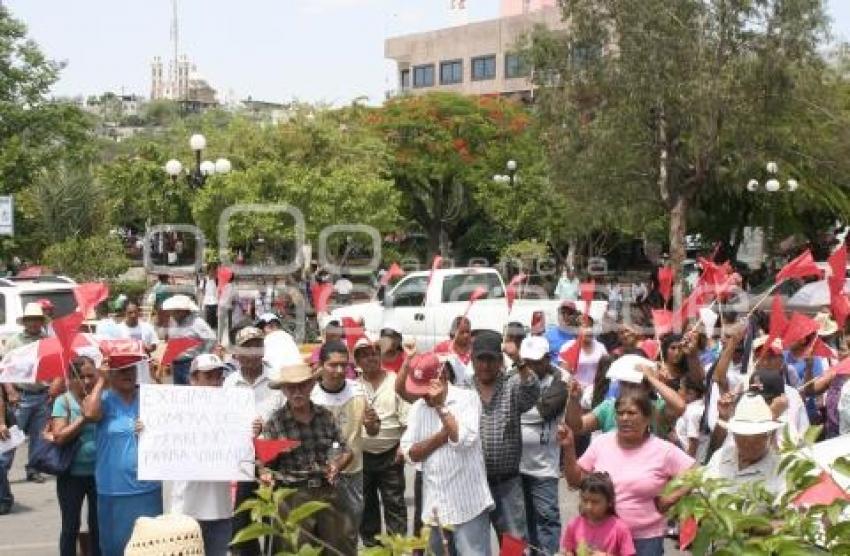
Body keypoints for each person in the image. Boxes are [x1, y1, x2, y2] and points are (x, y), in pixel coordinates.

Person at [560, 387, 695, 556]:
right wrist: (569, 448)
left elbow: (695, 473)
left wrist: (670, 499)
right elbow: (575, 481)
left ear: (647, 418)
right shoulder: (602, 443)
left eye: (632, 413)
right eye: (620, 413)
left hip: (645, 540)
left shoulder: (663, 450)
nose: (625, 418)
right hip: (605, 537)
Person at [399, 352, 494, 556]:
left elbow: (462, 440)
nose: (423, 395)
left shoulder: (467, 399)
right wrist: (442, 436)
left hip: (468, 506)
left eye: (424, 389)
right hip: (435, 509)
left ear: (440, 378)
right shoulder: (417, 408)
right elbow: (410, 453)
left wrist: (441, 407)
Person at [263, 355, 357, 554]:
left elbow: (345, 450)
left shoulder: (325, 416)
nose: (297, 392)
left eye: (302, 386)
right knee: (294, 549)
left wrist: (337, 465)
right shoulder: (275, 422)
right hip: (292, 495)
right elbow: (264, 464)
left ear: (311, 386)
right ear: (284, 390)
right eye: (291, 387)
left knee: (338, 547)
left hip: (327, 491)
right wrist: (265, 473)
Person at [171, 354, 254, 556]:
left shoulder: (233, 411)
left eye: (219, 377)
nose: (215, 382)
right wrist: (145, 430)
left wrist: (253, 431)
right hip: (186, 510)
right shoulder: (175, 410)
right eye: (208, 377)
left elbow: (244, 451)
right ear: (193, 379)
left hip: (221, 510)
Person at [82, 357, 162, 556]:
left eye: (130, 370)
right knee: (116, 549)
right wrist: (101, 380)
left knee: (151, 548)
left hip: (148, 490)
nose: (127, 374)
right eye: (120, 370)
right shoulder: (104, 400)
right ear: (111, 374)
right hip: (114, 492)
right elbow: (90, 414)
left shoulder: (147, 399)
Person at [471, 329, 539, 542]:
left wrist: (518, 359)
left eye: (491, 359)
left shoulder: (512, 385)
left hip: (507, 483)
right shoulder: (463, 389)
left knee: (514, 542)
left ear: (500, 361)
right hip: (473, 483)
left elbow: (532, 389)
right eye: (480, 359)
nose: (485, 365)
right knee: (473, 545)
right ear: (473, 360)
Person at [311, 341, 380, 548]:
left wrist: (371, 423)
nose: (339, 370)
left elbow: (374, 429)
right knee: (319, 532)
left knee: (349, 532)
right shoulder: (311, 395)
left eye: (344, 365)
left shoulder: (358, 391)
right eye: (333, 365)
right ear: (321, 365)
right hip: (320, 475)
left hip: (352, 473)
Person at [226, 326, 284, 556]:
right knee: (241, 525)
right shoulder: (228, 383)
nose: (251, 353)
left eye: (256, 346)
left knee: (276, 523)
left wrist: (267, 429)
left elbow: (289, 417)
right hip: (240, 464)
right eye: (246, 347)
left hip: (274, 462)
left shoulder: (278, 380)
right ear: (236, 353)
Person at [355, 338, 409, 546]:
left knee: (395, 507)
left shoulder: (395, 381)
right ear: (357, 360)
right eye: (364, 354)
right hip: (362, 457)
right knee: (366, 510)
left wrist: (403, 446)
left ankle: (397, 550)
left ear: (381, 355)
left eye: (374, 353)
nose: (370, 358)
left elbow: (407, 420)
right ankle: (372, 550)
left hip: (391, 455)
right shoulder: (353, 387)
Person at [518, 336, 567, 554]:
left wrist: (516, 413)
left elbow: (544, 410)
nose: (531, 367)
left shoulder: (560, 380)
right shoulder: (515, 378)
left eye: (536, 362)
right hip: (516, 466)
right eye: (526, 362)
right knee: (524, 522)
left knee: (546, 519)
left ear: (547, 359)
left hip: (544, 467)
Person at [50, 356, 101, 556]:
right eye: (81, 376)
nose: (87, 381)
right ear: (70, 378)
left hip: (99, 474)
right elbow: (59, 437)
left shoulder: (99, 398)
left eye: (91, 376)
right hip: (71, 475)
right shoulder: (63, 401)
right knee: (70, 527)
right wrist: (83, 418)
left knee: (98, 526)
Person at [1, 302, 50, 486]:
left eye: (37, 320)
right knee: (13, 435)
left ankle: (34, 469)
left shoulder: (46, 341)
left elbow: (52, 367)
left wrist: (54, 387)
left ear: (41, 321)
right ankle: (2, 471)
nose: (34, 323)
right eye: (30, 320)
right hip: (21, 396)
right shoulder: (15, 342)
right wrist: (10, 390)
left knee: (38, 437)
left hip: (42, 394)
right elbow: (3, 369)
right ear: (25, 322)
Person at [705, 393, 785, 496]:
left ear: (767, 435)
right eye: (742, 439)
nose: (748, 445)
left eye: (755, 439)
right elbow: (701, 494)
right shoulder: (720, 456)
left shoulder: (779, 469)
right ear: (734, 435)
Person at [561, 472, 636, 556]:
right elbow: (568, 549)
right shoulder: (574, 525)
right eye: (585, 500)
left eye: (595, 502)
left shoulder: (620, 529)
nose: (588, 506)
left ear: (609, 502)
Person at [161, 294, 215, 385]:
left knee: (191, 391)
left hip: (190, 363)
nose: (173, 314)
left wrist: (202, 357)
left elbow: (211, 339)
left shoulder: (197, 322)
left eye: (176, 311)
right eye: (172, 311)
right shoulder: (172, 322)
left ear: (184, 311)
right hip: (176, 364)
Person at [119, 301, 159, 384]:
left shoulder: (147, 327)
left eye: (135, 312)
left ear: (138, 312)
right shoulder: (118, 329)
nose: (133, 315)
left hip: (144, 370)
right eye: (130, 312)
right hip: (126, 370)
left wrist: (148, 348)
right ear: (125, 313)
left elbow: (154, 344)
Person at [674, 374, 709, 463]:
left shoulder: (693, 412)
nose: (678, 391)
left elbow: (693, 442)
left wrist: (687, 466)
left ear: (691, 393)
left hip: (693, 461)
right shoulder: (696, 408)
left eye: (681, 388)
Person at [199, 265, 219, 331]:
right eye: (211, 271)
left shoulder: (217, 280)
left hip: (216, 303)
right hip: (207, 303)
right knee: (208, 322)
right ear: (208, 271)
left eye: (214, 271)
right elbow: (202, 291)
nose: (213, 272)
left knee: (216, 323)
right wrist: (201, 304)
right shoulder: (204, 280)